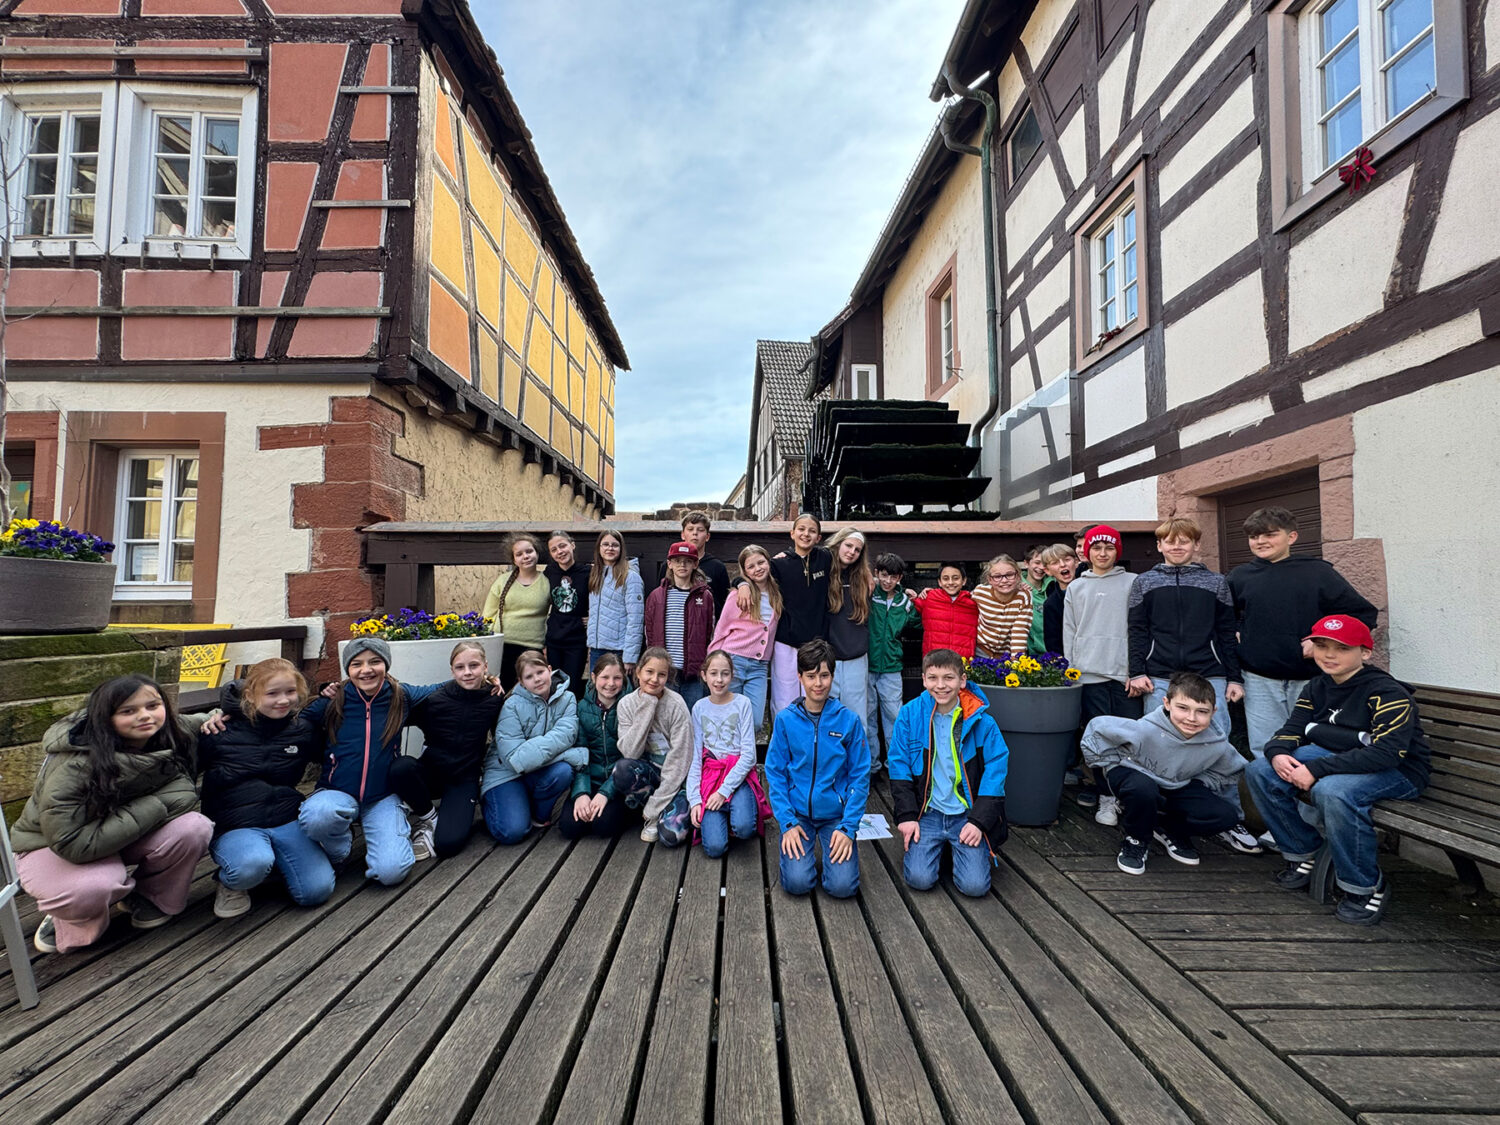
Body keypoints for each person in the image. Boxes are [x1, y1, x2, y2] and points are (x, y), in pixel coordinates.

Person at [1245, 615, 1429, 926]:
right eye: (1322, 646)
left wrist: (1316, 769)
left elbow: (1387, 754)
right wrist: (1277, 754)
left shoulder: (1387, 693)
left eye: (1342, 648)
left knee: (1332, 791)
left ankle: (1364, 886)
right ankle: (1303, 852)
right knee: (1261, 771)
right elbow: (1292, 730)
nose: (1329, 655)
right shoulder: (1318, 686)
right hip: (1339, 757)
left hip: (1400, 771)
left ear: (1365, 653)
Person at [14, 675, 217, 954]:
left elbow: (214, 716)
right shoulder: (74, 766)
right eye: (128, 711)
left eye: (153, 705)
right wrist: (158, 804)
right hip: (51, 844)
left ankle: (147, 896)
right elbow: (71, 843)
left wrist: (223, 712)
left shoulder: (172, 731)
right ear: (105, 718)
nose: (144, 716)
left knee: (194, 828)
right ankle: (70, 918)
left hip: (118, 832)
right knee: (97, 885)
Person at [1121, 517, 1258, 853]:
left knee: (1218, 743)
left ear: (1197, 545)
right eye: (1170, 541)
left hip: (1209, 672)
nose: (1177, 546)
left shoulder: (1216, 583)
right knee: (1155, 744)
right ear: (1159, 545)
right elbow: (1137, 630)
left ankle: (1230, 818)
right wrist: (1137, 671)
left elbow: (1226, 632)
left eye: (1184, 541)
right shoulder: (1144, 582)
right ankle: (1158, 817)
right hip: (1160, 675)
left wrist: (1234, 676)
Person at [1230, 506, 1379, 760]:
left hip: (1310, 679)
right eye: (1254, 536)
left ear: (1291, 537)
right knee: (1265, 749)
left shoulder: (1318, 573)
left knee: (1311, 747)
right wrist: (1235, 631)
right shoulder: (1239, 576)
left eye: (1270, 535)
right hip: (1258, 679)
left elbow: (1361, 614)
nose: (1261, 541)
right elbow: (1225, 617)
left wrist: (1320, 641)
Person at [300, 638, 442, 886]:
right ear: (348, 669)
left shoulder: (401, 695)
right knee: (318, 815)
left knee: (392, 872)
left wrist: (484, 679)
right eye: (357, 664)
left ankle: (389, 837)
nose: (366, 670)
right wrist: (229, 714)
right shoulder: (334, 700)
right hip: (337, 791)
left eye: (375, 661)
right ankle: (339, 851)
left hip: (382, 796)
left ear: (386, 664)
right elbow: (288, 719)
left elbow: (441, 689)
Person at [199, 658, 333, 918]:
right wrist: (206, 720)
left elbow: (332, 757)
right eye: (272, 693)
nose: (283, 700)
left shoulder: (303, 730)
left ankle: (275, 867)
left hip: (285, 817)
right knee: (251, 865)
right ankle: (230, 882)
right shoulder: (220, 730)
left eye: (290, 691)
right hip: (237, 823)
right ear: (250, 695)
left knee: (316, 891)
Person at [1083, 672, 1245, 876]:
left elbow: (1228, 770)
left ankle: (1168, 828)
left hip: (1176, 784)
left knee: (1225, 816)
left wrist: (1197, 781)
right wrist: (1110, 767)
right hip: (1135, 777)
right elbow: (1097, 729)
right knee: (1142, 789)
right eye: (1183, 708)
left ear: (1214, 711)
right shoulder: (1145, 729)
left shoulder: (1216, 743)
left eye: (1202, 711)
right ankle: (1136, 839)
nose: (1191, 718)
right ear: (1167, 704)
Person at [890, 649, 1008, 897]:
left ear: (962, 681)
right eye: (933, 678)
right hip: (928, 812)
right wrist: (908, 815)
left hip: (966, 815)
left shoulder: (982, 722)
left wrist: (978, 822)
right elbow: (898, 765)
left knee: (975, 887)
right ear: (923, 680)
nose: (940, 685)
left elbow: (996, 772)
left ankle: (953, 850)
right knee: (919, 879)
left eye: (949, 678)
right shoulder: (909, 715)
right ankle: (940, 849)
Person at [766, 639, 870, 898]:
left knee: (842, 887)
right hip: (798, 815)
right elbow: (775, 773)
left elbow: (859, 776)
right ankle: (799, 855)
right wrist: (787, 822)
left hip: (835, 816)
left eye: (824, 675)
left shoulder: (849, 720)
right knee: (797, 883)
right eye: (811, 676)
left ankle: (838, 856)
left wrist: (848, 827)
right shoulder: (785, 720)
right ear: (800, 677)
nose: (818, 683)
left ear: (832, 676)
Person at [389, 640, 505, 861]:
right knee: (400, 768)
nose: (467, 672)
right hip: (430, 774)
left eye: (474, 666)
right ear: (452, 670)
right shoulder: (435, 699)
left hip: (463, 779)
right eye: (460, 667)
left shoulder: (494, 699)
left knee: (448, 844)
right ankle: (429, 818)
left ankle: (441, 823)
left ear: (485, 666)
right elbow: (395, 708)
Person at [481, 650, 585, 844]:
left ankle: (536, 812)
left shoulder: (568, 698)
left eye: (540, 672)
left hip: (538, 771)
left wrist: (536, 752)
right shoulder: (512, 705)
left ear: (549, 670)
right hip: (506, 774)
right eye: (529, 676)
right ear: (521, 682)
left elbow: (568, 734)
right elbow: (515, 759)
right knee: (512, 832)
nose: (537, 679)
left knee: (563, 771)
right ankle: (496, 803)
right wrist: (565, 754)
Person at [733, 512, 831, 715]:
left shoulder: (825, 558)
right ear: (792, 533)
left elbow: (851, 562)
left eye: (812, 531)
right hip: (786, 641)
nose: (806, 534)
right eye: (801, 529)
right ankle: (783, 735)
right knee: (784, 700)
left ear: (819, 537)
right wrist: (741, 584)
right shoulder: (779, 564)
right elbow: (754, 576)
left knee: (814, 699)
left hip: (815, 643)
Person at [687, 651, 770, 857]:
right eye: (713, 673)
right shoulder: (699, 708)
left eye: (725, 674)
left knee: (744, 828)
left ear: (732, 676)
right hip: (711, 777)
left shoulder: (742, 703)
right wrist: (695, 800)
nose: (719, 680)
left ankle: (738, 807)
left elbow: (749, 756)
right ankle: (723, 815)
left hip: (737, 775)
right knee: (714, 848)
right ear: (704, 675)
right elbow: (695, 756)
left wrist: (724, 792)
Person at [614, 648, 695, 845]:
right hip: (649, 773)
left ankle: (660, 812)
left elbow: (679, 761)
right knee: (622, 770)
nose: (654, 679)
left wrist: (654, 807)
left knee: (671, 837)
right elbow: (630, 752)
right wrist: (648, 705)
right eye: (649, 672)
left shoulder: (676, 705)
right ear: (638, 671)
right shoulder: (626, 704)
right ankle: (652, 812)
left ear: (668, 677)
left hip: (677, 779)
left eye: (661, 674)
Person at [1063, 525, 1141, 725]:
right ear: (1087, 551)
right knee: (1097, 731)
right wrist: (1071, 669)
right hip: (1087, 674)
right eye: (1096, 548)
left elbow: (1141, 630)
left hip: (1125, 676)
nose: (1103, 553)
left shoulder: (1134, 582)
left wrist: (1137, 672)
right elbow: (1069, 631)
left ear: (1118, 551)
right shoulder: (1075, 587)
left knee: (1130, 732)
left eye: (1109, 547)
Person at [559, 653, 636, 839]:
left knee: (603, 826)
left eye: (617, 678)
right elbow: (579, 753)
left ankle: (628, 811)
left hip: (618, 782)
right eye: (604, 677)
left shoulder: (630, 706)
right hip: (590, 780)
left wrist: (605, 793)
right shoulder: (581, 708)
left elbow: (630, 756)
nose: (610, 683)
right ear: (593, 678)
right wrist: (581, 793)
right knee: (570, 827)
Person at [710, 543, 782, 732]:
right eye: (751, 566)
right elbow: (721, 629)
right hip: (734, 661)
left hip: (759, 667)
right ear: (745, 571)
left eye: (761, 562)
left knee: (755, 721)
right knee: (729, 719)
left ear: (768, 562)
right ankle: (728, 752)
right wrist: (713, 662)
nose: (757, 568)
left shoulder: (776, 593)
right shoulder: (738, 595)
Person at [645, 540, 717, 708]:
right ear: (669, 564)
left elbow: (710, 632)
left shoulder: (705, 596)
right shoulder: (656, 596)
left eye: (687, 561)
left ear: (695, 564)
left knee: (691, 715)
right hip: (665, 670)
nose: (682, 565)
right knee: (665, 715)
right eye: (677, 561)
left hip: (694, 672)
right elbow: (649, 632)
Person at [867, 551, 918, 774]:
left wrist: (921, 598)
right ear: (877, 573)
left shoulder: (905, 602)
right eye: (884, 575)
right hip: (867, 665)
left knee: (894, 716)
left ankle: (895, 765)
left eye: (894, 577)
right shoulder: (869, 594)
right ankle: (871, 765)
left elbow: (919, 621)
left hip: (891, 667)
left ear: (900, 578)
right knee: (867, 715)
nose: (888, 581)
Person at [482, 533, 552, 691]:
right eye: (519, 554)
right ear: (514, 560)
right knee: (499, 689)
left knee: (531, 690)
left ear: (537, 553)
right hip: (502, 645)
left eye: (529, 551)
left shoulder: (547, 582)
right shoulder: (503, 581)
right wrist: (486, 642)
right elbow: (488, 614)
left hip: (532, 646)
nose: (525, 556)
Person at [824, 527, 872, 743]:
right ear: (838, 543)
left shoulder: (862, 579)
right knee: (827, 717)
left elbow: (891, 587)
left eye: (857, 549)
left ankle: (858, 763)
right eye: (848, 545)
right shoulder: (821, 570)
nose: (852, 552)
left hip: (855, 656)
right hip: (828, 658)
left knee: (857, 718)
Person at [585, 528, 644, 676]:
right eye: (605, 544)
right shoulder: (595, 575)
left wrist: (630, 657)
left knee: (618, 689)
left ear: (621, 549)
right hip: (597, 649)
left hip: (619, 650)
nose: (610, 548)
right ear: (599, 548)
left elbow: (636, 619)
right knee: (597, 688)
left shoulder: (631, 577)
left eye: (615, 545)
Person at [544, 530, 591, 699]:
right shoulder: (549, 573)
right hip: (554, 639)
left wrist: (593, 618)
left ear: (572, 545)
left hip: (577, 640)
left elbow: (599, 600)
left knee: (572, 686)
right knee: (553, 685)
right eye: (554, 549)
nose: (560, 551)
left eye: (562, 546)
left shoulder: (587, 572)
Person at [912, 562, 979, 659]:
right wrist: (905, 591)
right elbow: (904, 606)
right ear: (939, 582)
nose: (950, 582)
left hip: (962, 661)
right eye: (945, 578)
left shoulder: (974, 603)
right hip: (934, 660)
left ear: (964, 581)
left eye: (955, 578)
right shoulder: (929, 597)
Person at [971, 553, 1033, 658]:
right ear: (990, 579)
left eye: (1009, 575)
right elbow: (961, 603)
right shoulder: (980, 592)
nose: (1004, 580)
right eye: (997, 576)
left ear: (1018, 576)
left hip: (1006, 654)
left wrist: (1016, 662)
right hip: (981, 651)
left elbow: (1020, 632)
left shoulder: (1024, 596)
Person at [677, 509, 731, 615]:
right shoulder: (670, 566)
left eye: (700, 530)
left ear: (707, 537)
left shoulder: (717, 567)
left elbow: (724, 603)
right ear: (683, 535)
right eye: (690, 529)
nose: (695, 533)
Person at [1040, 542, 1076, 655]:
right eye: (1055, 563)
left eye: (1067, 559)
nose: (1062, 565)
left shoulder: (1092, 592)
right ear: (1047, 571)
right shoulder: (1051, 604)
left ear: (1076, 562)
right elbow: (1053, 644)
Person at [1023, 544, 1053, 653]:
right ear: (1026, 563)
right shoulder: (1018, 588)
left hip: (1053, 652)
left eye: (1045, 563)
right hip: (1029, 654)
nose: (1041, 567)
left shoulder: (1054, 586)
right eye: (1037, 562)